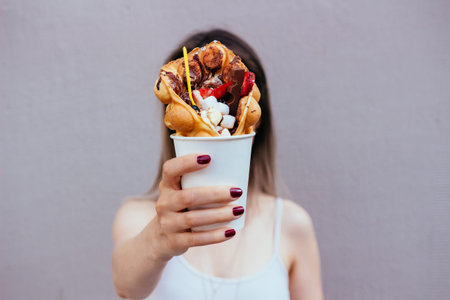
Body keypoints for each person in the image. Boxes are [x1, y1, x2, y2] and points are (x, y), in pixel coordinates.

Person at [112, 29, 324, 300]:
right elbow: (126, 288)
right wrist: (157, 241)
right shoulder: (139, 217)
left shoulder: (292, 224)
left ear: (258, 118)